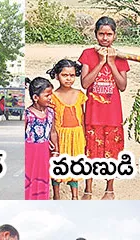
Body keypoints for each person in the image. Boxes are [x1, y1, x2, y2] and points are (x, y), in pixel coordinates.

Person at [78, 17, 129, 200]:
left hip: (113, 115)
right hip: (93, 114)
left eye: (109, 34)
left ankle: (109, 189)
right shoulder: (87, 54)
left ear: (114, 35)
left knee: (112, 152)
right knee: (89, 151)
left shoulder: (120, 57)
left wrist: (112, 62)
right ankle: (88, 189)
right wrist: (100, 62)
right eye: (101, 34)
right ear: (96, 34)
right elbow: (85, 83)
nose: (105, 38)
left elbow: (122, 86)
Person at [46, 59, 87, 200]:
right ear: (57, 76)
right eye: (65, 75)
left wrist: (85, 137)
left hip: (77, 135)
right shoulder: (52, 96)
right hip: (59, 135)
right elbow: (50, 120)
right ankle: (56, 195)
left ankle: (75, 196)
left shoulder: (80, 94)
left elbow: (82, 118)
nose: (69, 78)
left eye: (72, 75)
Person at [24, 77, 59, 200]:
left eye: (51, 95)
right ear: (35, 97)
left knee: (43, 178)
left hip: (44, 152)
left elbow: (53, 132)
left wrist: (56, 151)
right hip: (30, 153)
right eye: (47, 95)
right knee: (29, 178)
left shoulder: (51, 112)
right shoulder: (28, 114)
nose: (50, 98)